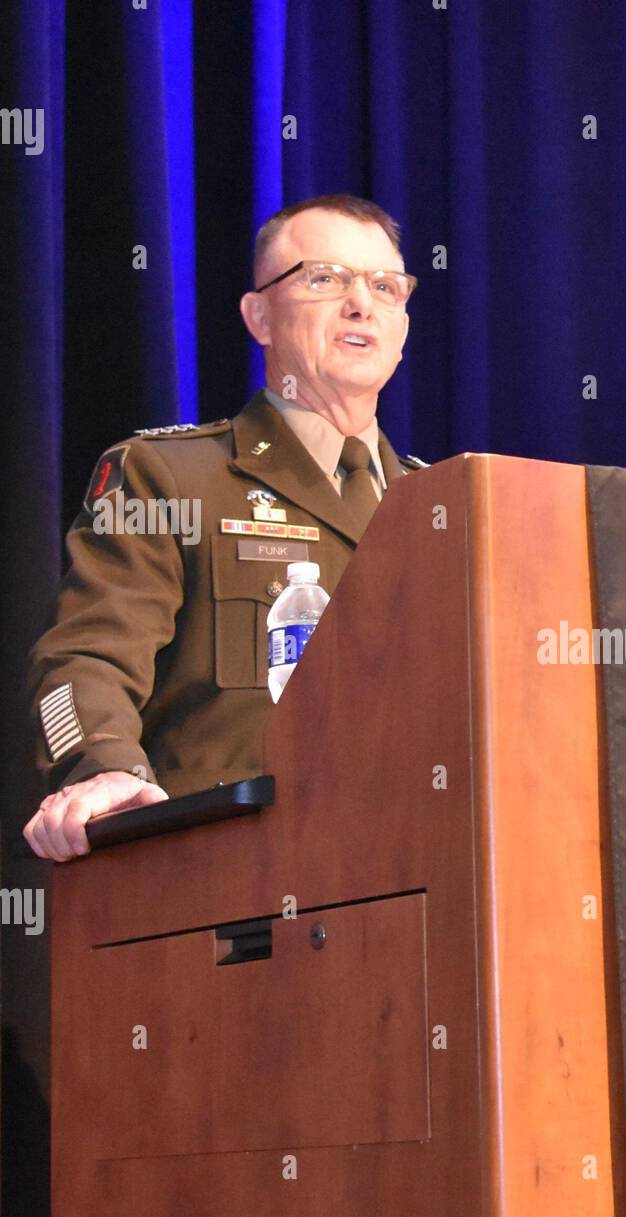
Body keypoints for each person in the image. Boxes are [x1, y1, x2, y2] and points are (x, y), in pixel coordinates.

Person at [24, 193, 425, 862]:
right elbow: (85, 658)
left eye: (386, 287)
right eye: (324, 279)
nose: (363, 304)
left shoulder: (443, 504)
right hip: (227, 875)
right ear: (259, 315)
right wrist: (101, 770)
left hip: (413, 871)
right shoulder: (168, 476)